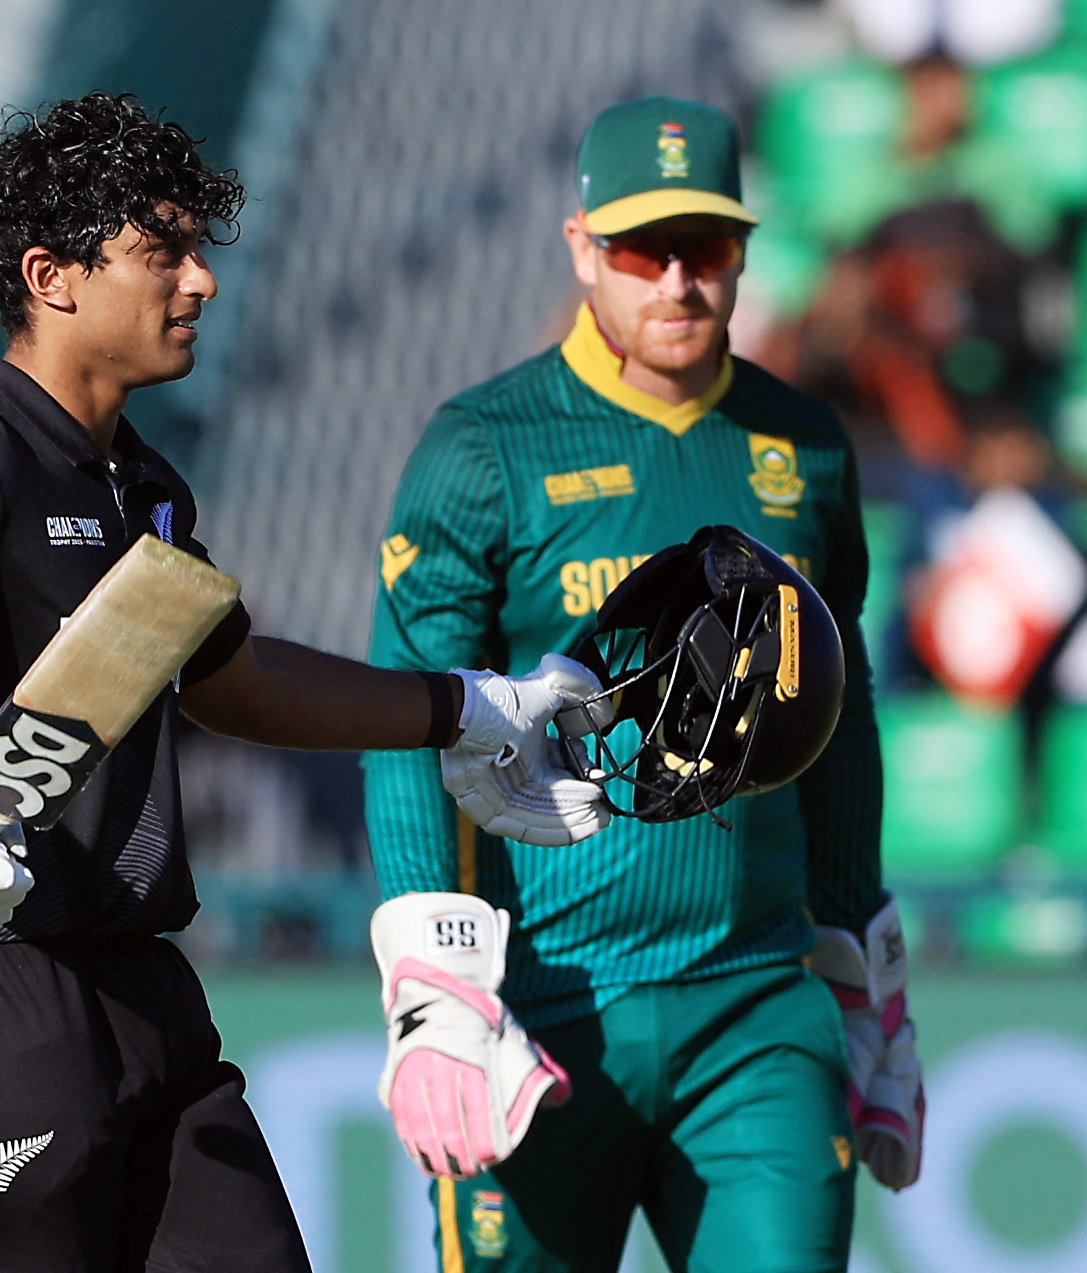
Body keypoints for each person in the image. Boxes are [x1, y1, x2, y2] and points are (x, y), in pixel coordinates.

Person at [0, 92, 608, 1272]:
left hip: (144, 990)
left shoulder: (148, 487)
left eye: (197, 250)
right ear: (51, 277)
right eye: (163, 252)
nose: (202, 281)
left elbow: (236, 682)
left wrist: (470, 708)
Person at [364, 97, 923, 1272]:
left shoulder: (804, 445)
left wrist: (863, 947)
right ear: (582, 248)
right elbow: (408, 712)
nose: (676, 280)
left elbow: (842, 709)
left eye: (704, 247)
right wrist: (434, 974)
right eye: (639, 249)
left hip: (755, 1008)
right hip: (542, 1010)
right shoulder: (485, 446)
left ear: (743, 252)